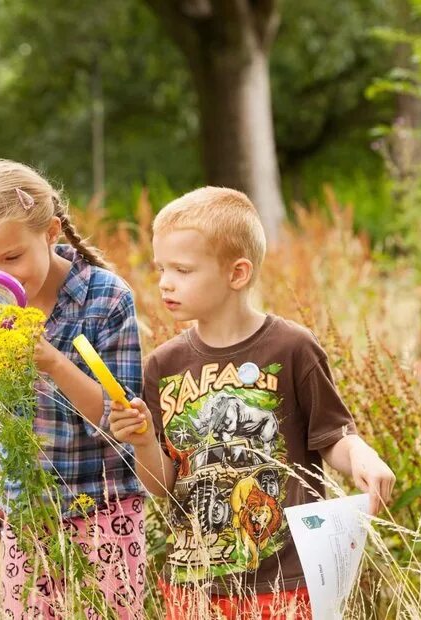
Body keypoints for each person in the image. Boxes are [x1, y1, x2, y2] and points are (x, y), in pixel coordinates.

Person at [109, 187, 396, 619]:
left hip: (287, 577)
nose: (165, 282)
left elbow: (332, 436)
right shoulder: (162, 366)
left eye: (183, 270)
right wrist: (145, 440)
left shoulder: (292, 348)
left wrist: (362, 454)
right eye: (161, 268)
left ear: (237, 273)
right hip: (195, 584)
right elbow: (162, 483)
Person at [0, 159, 148, 618]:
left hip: (103, 506)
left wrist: (54, 363)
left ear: (51, 232)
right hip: (28, 512)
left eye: (12, 257)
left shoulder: (107, 299)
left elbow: (120, 422)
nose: (0, 275)